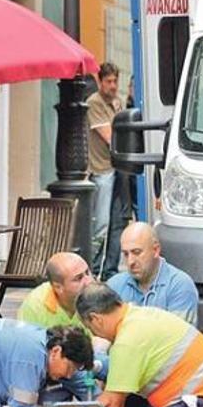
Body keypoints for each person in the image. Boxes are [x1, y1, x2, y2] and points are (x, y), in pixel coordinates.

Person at [17, 252, 109, 401]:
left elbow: (104, 340)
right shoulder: (34, 306)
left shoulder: (94, 295)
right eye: (78, 278)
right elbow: (30, 359)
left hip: (87, 359)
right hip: (51, 369)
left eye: (87, 273)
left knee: (107, 364)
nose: (89, 281)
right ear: (58, 287)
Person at [106, 222, 198, 324]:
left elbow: (176, 336)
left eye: (136, 252)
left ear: (155, 250)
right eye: (126, 254)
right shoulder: (114, 285)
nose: (130, 261)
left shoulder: (179, 285)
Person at [86, 62, 124, 277]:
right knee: (101, 224)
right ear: (100, 81)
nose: (113, 85)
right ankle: (91, 267)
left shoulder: (117, 102)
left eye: (115, 81)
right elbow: (110, 137)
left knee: (116, 222)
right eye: (108, 81)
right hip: (101, 169)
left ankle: (108, 270)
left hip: (117, 168)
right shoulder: (95, 103)